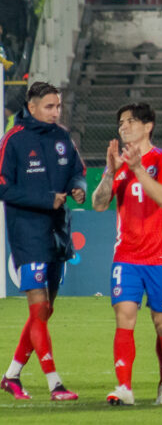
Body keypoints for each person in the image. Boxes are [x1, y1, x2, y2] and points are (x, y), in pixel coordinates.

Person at [90, 103, 162, 406]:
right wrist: (109, 172)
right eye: (120, 123)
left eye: (130, 121)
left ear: (148, 126)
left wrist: (137, 168)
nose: (123, 127)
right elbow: (99, 204)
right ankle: (124, 387)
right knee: (124, 318)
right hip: (126, 257)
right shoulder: (117, 165)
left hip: (161, 257)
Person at [0, 82, 84, 401]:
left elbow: (77, 171)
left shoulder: (62, 137)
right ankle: (54, 383)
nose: (55, 112)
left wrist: (78, 187)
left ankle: (10, 376)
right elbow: (2, 186)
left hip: (58, 233)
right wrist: (45, 199)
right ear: (32, 107)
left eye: (58, 106)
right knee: (38, 308)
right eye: (49, 107)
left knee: (45, 311)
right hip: (28, 233)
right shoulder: (14, 140)